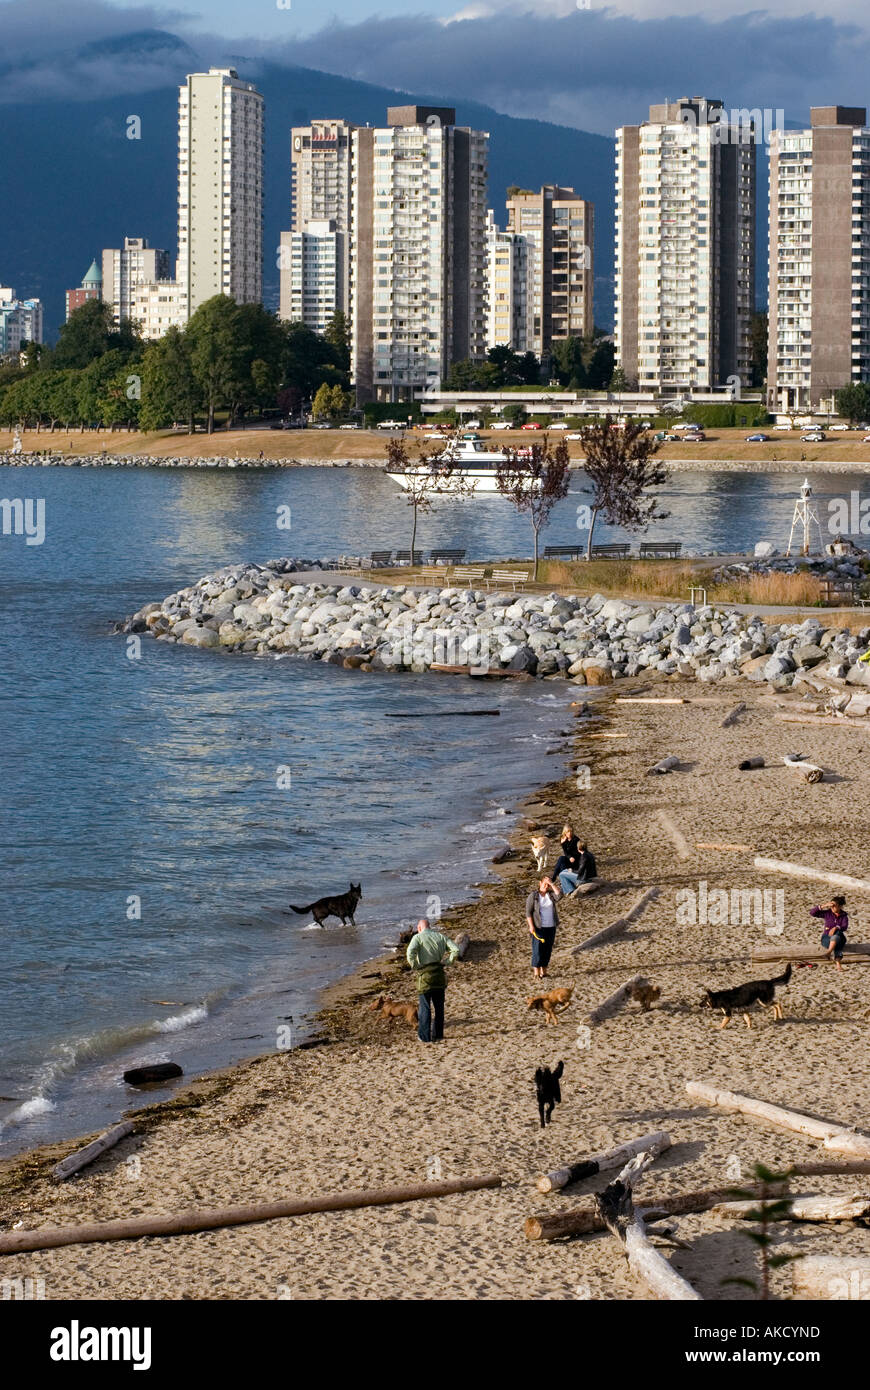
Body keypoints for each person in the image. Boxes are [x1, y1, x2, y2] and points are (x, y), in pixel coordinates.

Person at [406, 917, 460, 1043]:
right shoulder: (440, 937)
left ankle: (425, 1037)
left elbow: (410, 953)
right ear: (429, 927)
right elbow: (456, 949)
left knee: (425, 1007)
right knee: (439, 1007)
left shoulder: (417, 938)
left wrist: (415, 966)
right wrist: (447, 962)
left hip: (425, 976)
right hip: (439, 974)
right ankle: (439, 1034)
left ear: (419, 928)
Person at [525, 875, 562, 979]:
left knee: (547, 950)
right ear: (540, 884)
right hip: (538, 927)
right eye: (544, 884)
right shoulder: (534, 896)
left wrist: (552, 884)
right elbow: (528, 912)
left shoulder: (551, 895)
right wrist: (531, 926)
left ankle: (544, 972)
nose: (546, 886)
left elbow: (559, 896)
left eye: (547, 884)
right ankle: (536, 973)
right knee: (537, 950)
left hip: (551, 926)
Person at [810, 896, 849, 970]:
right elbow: (812, 913)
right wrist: (824, 905)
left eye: (834, 906)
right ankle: (838, 964)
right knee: (837, 941)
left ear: (840, 906)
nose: (832, 908)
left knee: (837, 934)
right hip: (826, 938)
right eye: (831, 906)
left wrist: (836, 927)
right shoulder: (827, 913)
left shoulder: (844, 915)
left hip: (840, 938)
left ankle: (828, 953)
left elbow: (845, 926)